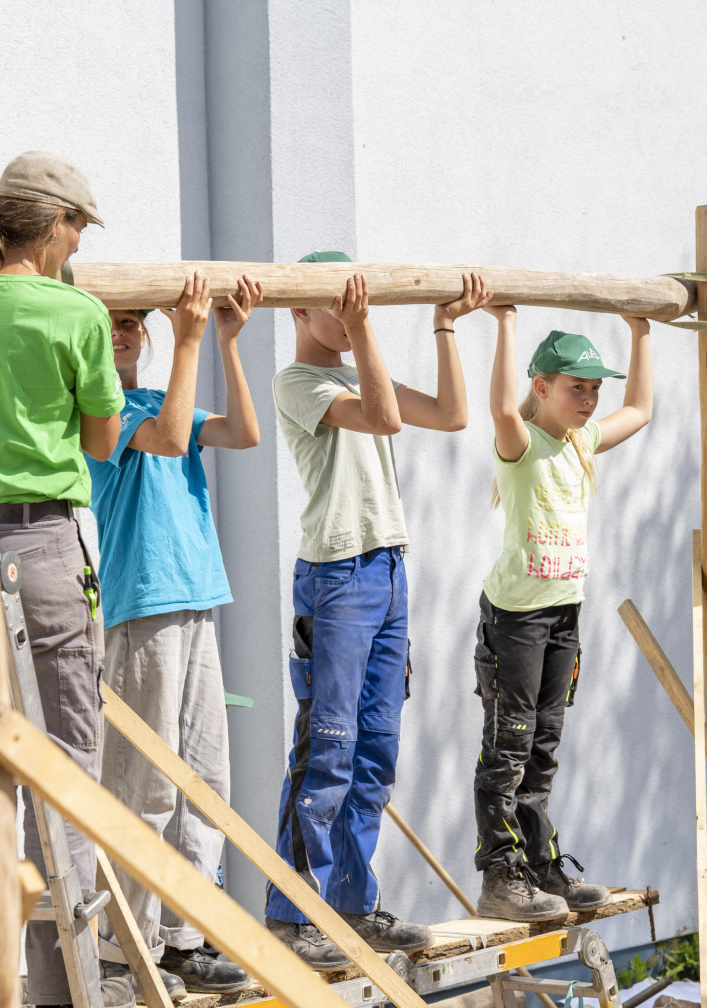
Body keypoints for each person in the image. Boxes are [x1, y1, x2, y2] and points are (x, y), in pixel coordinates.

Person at [264, 254, 484, 968]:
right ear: (300, 312)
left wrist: (445, 329)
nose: (355, 312)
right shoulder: (298, 381)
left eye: (358, 302)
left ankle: (354, 908)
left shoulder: (360, 371)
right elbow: (386, 420)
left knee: (376, 750)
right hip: (335, 575)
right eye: (339, 302)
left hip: (388, 569)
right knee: (325, 746)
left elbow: (452, 416)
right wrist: (361, 331)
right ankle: (293, 914)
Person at [0, 151, 124, 1007]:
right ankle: (60, 989)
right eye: (77, 228)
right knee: (65, 766)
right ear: (56, 225)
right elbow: (103, 442)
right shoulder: (75, 312)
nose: (78, 244)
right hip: (44, 546)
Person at [87, 272, 263, 996]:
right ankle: (127, 942)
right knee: (148, 783)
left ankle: (183, 937)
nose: (124, 332)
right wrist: (188, 337)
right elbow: (162, 443)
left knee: (205, 782)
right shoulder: (97, 414)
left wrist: (222, 341)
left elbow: (244, 434)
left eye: (134, 322)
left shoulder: (166, 399)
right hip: (145, 606)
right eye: (111, 323)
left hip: (196, 600)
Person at [470, 300, 655, 921]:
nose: (589, 400)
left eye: (595, 389)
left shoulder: (581, 445)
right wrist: (504, 324)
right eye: (577, 388)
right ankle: (500, 873)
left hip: (563, 617)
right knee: (511, 743)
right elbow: (499, 407)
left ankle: (539, 864)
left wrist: (640, 332)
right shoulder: (523, 446)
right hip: (517, 619)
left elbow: (643, 410)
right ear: (541, 386)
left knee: (544, 746)